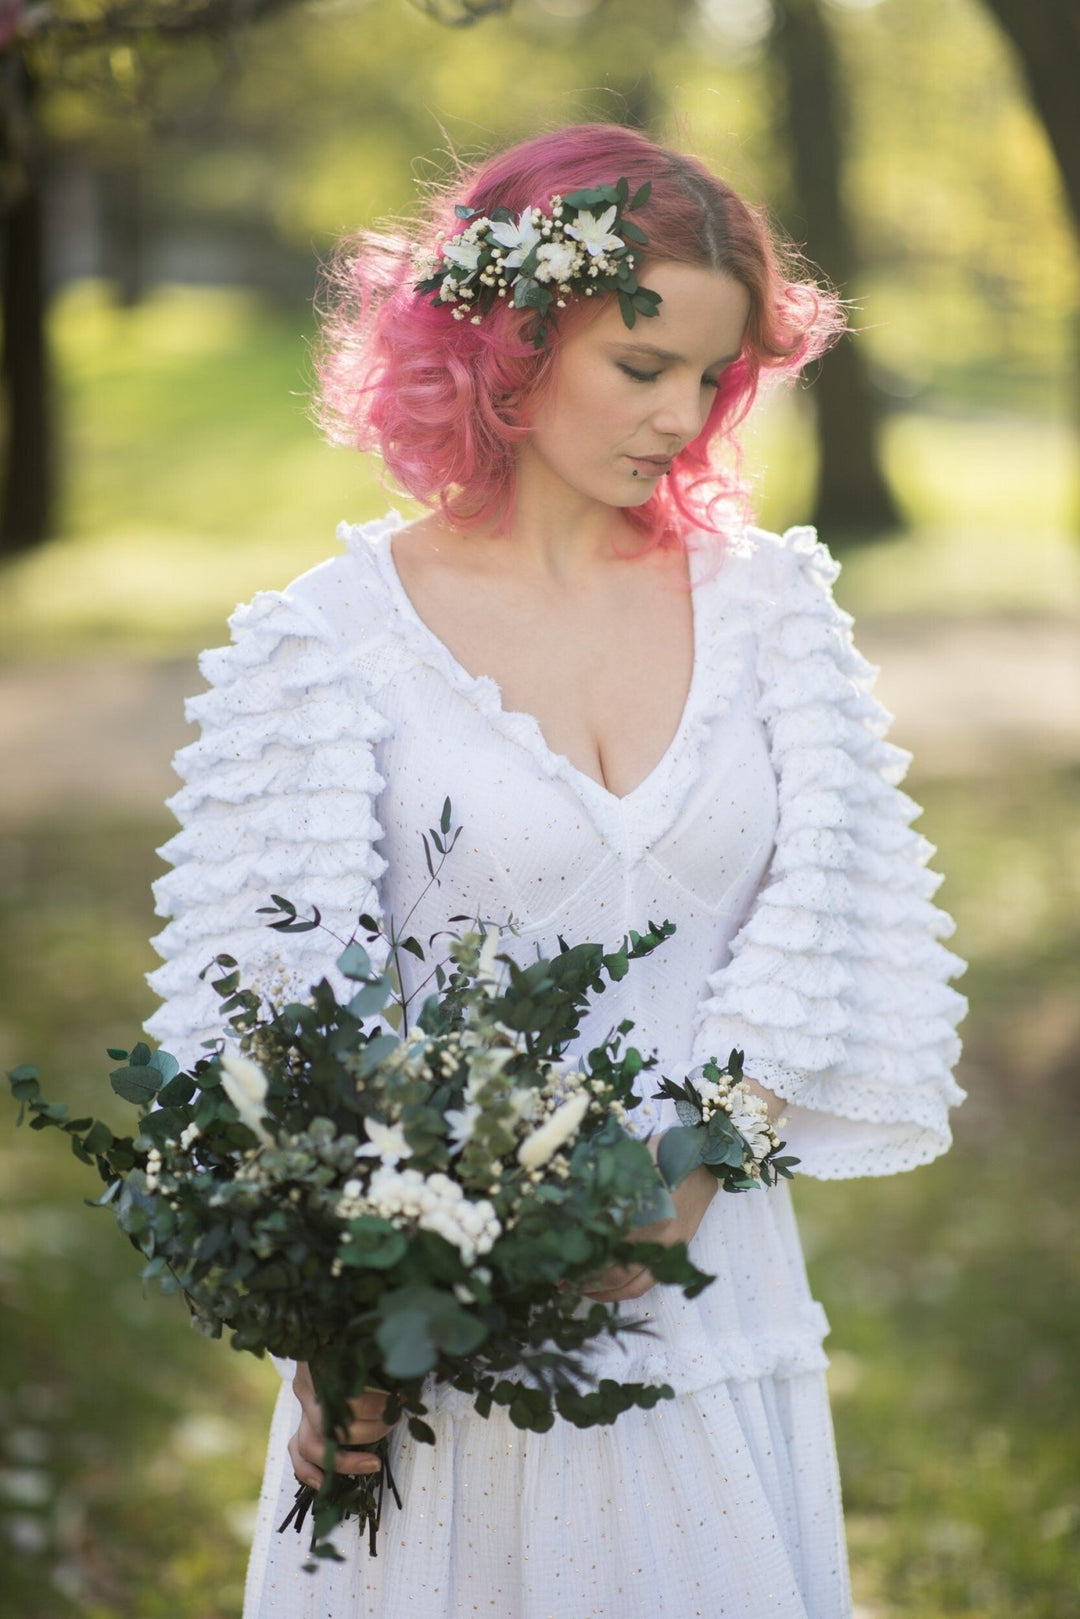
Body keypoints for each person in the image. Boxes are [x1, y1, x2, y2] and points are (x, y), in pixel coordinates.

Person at [144, 123, 967, 1618]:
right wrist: (347, 1327)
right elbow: (265, 1027)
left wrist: (687, 1188)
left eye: (712, 378)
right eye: (639, 368)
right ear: (509, 341)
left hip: (710, 1289)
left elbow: (824, 928)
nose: (681, 417)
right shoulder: (324, 648)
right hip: (428, 1321)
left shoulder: (775, 611)